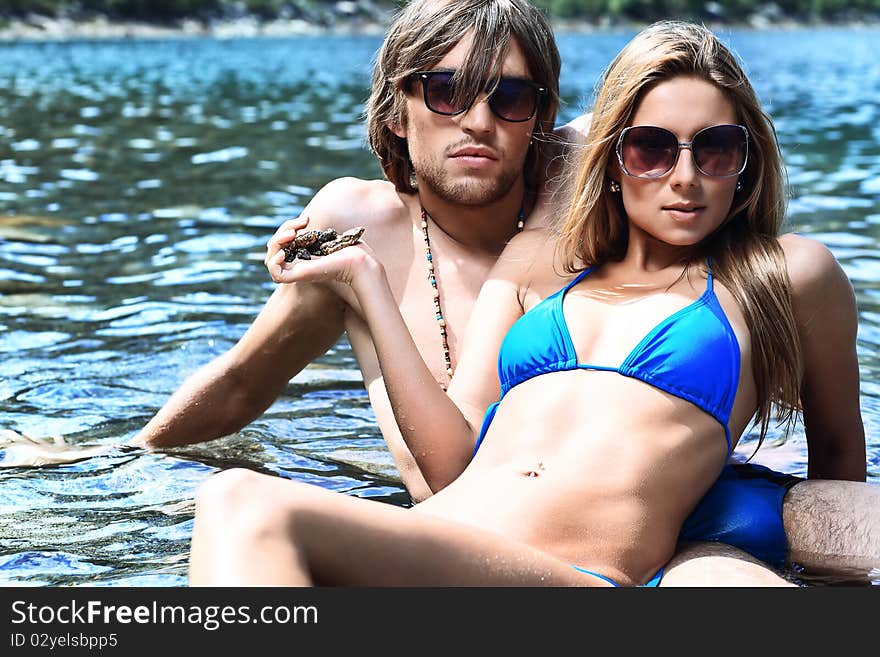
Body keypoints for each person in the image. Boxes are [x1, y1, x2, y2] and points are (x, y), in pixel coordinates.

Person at [128, 0, 876, 582]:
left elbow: (838, 450)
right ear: (617, 160)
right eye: (651, 148)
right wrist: (364, 282)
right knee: (230, 507)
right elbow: (446, 457)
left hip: (568, 573)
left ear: (747, 160)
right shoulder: (537, 269)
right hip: (441, 544)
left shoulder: (785, 272)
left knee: (240, 500)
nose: (684, 173)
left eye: (716, 149)